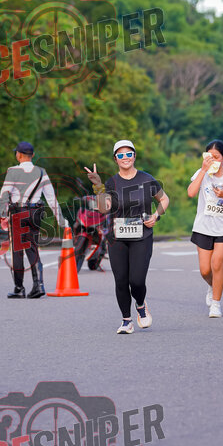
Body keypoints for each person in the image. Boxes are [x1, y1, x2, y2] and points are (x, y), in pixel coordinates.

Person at [84, 140, 169, 334]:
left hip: (142, 235)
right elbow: (104, 209)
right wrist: (98, 186)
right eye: (120, 155)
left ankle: (140, 304)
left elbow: (164, 199)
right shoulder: (111, 183)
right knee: (121, 280)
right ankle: (126, 321)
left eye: (128, 154)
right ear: (115, 159)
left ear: (134, 156)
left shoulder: (147, 179)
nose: (125, 158)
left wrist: (156, 215)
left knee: (137, 281)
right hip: (117, 236)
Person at [0, 141, 67, 299]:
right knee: (32, 248)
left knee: (17, 250)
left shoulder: (12, 171)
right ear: (33, 155)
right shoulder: (42, 172)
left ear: (18, 155)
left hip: (18, 213)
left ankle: (19, 288)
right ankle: (39, 285)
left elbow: (3, 195)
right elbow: (51, 198)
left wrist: (3, 215)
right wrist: (61, 220)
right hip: (35, 213)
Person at [187, 140, 223, 318]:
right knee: (205, 270)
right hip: (203, 227)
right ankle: (212, 286)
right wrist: (203, 170)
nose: (213, 160)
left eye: (216, 157)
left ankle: (216, 304)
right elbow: (191, 193)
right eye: (209, 157)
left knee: (217, 264)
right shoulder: (202, 173)